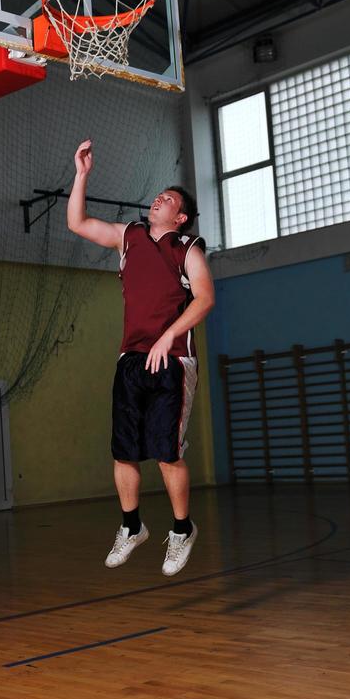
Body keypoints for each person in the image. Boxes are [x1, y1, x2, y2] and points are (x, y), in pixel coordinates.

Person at [67, 139, 215, 576]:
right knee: (124, 451)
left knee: (167, 452)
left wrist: (168, 336)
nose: (158, 199)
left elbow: (204, 300)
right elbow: (77, 222)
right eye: (158, 196)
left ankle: (182, 529)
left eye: (168, 199)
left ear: (180, 216)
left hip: (172, 360)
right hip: (131, 358)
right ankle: (131, 526)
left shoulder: (188, 248)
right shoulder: (128, 237)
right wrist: (81, 175)